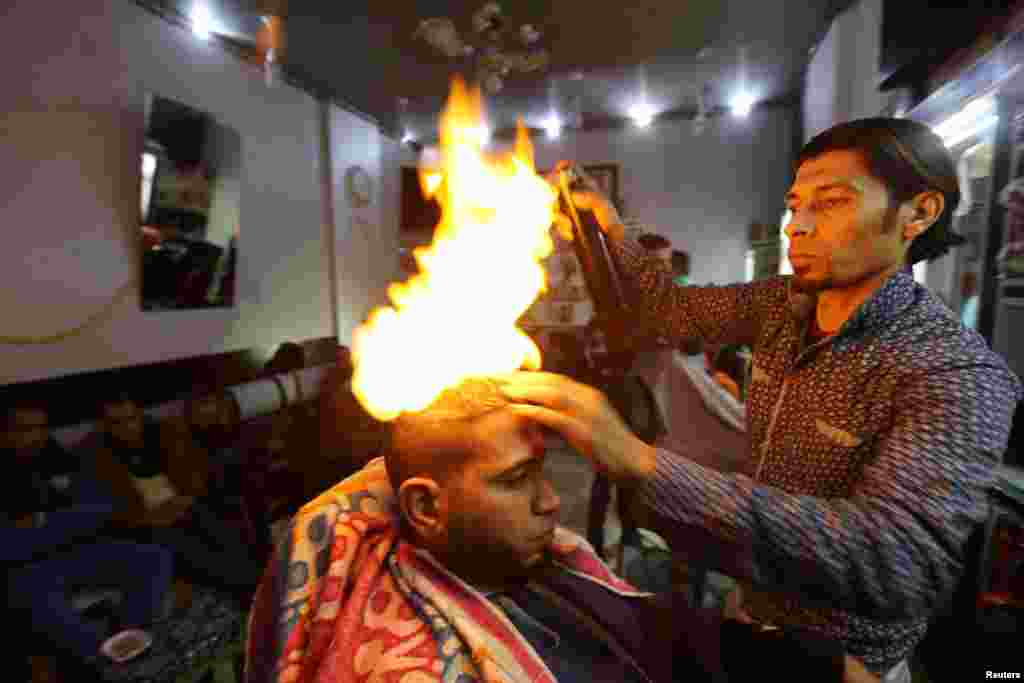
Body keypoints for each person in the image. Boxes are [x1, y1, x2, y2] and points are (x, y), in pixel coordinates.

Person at [501, 118, 1024, 681]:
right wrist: (604, 221)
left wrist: (638, 460)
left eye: (831, 203)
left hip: (847, 663)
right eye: (795, 205)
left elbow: (896, 561)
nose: (797, 226)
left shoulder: (956, 372)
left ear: (918, 214)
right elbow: (663, 310)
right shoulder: (782, 305)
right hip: (750, 616)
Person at [245, 377, 880, 683]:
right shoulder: (406, 669)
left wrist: (815, 665)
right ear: (426, 507)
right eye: (515, 479)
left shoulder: (546, 572)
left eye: (544, 473)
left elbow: (669, 634)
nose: (553, 503)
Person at [2, 401, 173, 670]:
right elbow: (10, 547)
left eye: (41, 428)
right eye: (24, 429)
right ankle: (101, 661)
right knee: (36, 596)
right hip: (27, 568)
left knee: (154, 558)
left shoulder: (57, 456)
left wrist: (43, 523)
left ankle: (132, 637)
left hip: (78, 550)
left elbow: (100, 510)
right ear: (5, 432)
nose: (36, 436)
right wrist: (64, 522)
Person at [88, 394, 263, 604]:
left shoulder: (162, 436)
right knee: (195, 551)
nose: (128, 427)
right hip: (148, 527)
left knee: (221, 528)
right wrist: (148, 518)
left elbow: (194, 473)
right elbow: (107, 513)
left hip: (184, 507)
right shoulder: (98, 457)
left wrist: (187, 498)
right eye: (117, 422)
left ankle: (257, 584)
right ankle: (250, 592)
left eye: (132, 419)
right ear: (104, 426)